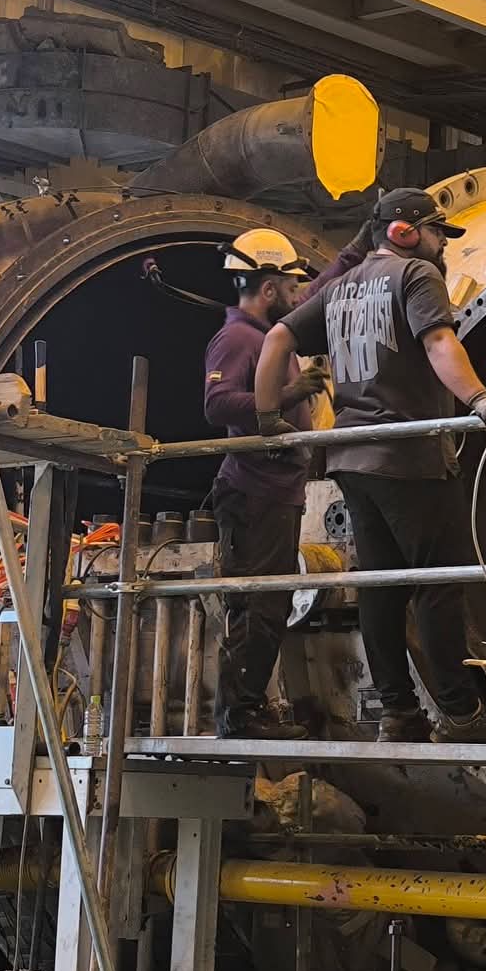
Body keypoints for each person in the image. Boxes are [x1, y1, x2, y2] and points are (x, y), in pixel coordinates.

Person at [253, 188, 486, 743]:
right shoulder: (416, 275)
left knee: (382, 586)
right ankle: (462, 715)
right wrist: (479, 399)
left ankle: (399, 713)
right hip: (409, 456)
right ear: (403, 231)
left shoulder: (340, 288)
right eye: (437, 232)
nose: (443, 244)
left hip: (352, 458)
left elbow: (277, 337)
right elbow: (439, 342)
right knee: (439, 584)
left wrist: (266, 413)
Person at [201, 228, 329, 738]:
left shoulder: (268, 339)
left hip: (274, 492)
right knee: (257, 603)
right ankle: (239, 715)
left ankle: (249, 708)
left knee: (270, 603)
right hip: (254, 492)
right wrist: (289, 393)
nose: (297, 296)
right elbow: (216, 405)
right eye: (292, 287)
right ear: (269, 288)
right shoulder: (238, 338)